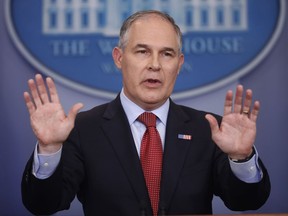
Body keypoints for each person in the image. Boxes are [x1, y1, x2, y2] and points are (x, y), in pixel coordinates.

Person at [22, 10, 270, 216]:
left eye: (167, 54)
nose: (155, 64)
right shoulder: (84, 129)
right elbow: (43, 205)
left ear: (179, 64)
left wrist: (240, 158)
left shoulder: (209, 129)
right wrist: (50, 149)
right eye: (142, 51)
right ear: (119, 58)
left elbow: (245, 202)